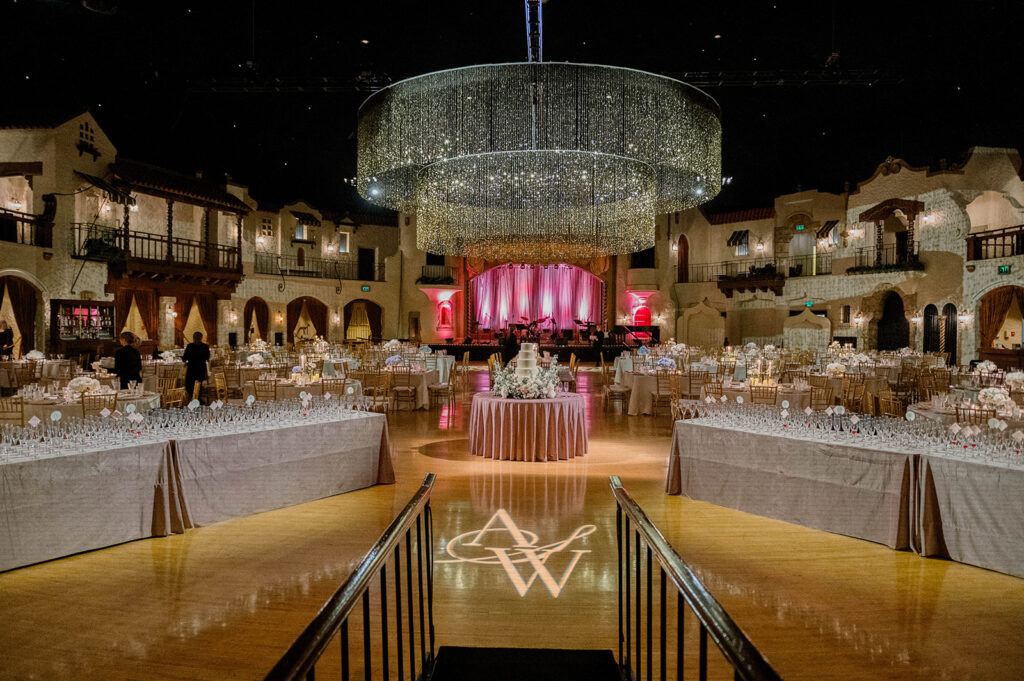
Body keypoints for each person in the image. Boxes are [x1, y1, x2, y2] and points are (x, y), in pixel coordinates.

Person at [182, 331, 210, 402]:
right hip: (201, 369)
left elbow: (185, 358)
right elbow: (207, 358)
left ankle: (193, 399)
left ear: (193, 338)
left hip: (192, 369)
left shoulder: (189, 346)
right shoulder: (205, 347)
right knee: (199, 385)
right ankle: (198, 399)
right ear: (201, 338)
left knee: (190, 385)